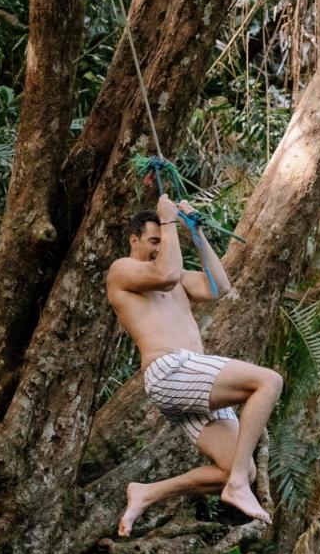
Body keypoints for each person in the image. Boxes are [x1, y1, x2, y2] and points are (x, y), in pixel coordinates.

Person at [106, 192, 283, 536]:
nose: (159, 247)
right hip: (169, 370)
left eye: (162, 240)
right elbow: (167, 274)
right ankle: (235, 486)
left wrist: (195, 230)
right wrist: (169, 219)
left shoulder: (175, 277)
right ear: (134, 240)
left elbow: (219, 286)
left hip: (191, 377)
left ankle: (147, 492)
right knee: (268, 381)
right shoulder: (123, 270)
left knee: (242, 469)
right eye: (153, 240)